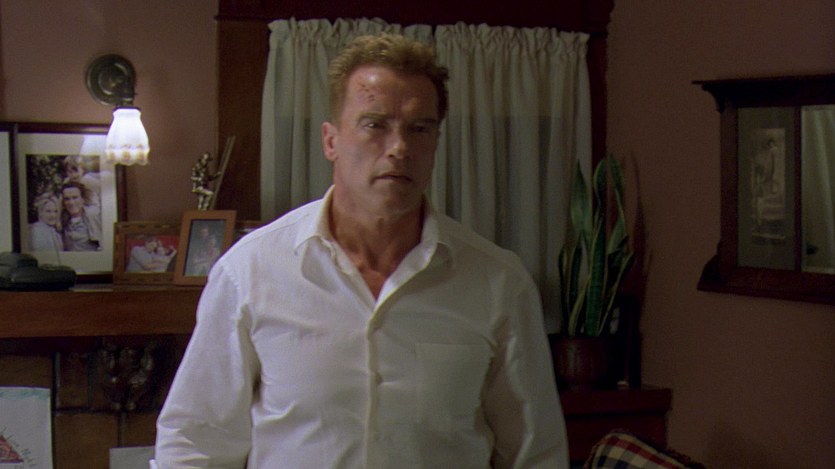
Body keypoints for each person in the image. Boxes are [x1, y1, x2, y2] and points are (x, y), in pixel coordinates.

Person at [154, 33, 568, 468]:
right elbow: (195, 445)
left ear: (436, 143)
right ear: (330, 141)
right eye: (375, 125)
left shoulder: (497, 281)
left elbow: (535, 454)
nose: (399, 148)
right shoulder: (251, 271)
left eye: (419, 129)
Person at [60, 181, 102, 251]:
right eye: (67, 199)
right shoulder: (62, 218)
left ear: (83, 199)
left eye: (75, 198)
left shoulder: (92, 215)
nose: (71, 202)